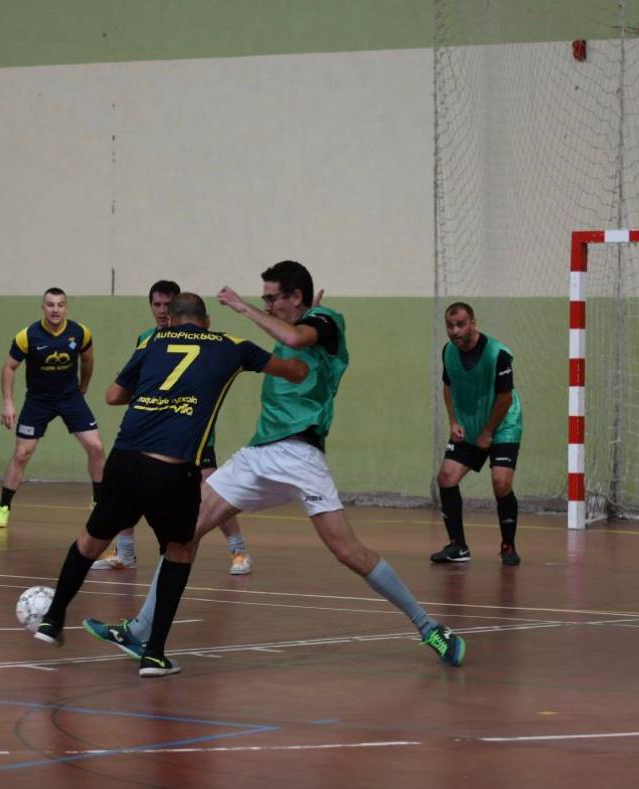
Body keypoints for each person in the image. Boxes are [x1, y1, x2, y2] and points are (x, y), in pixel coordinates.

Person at [82, 260, 466, 668]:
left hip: (300, 455)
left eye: (271, 298)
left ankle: (429, 628)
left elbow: (299, 337)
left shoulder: (325, 323)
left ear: (295, 297)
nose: (265, 305)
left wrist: (244, 307)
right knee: (183, 533)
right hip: (259, 453)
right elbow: (291, 334)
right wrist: (281, 316)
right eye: (262, 299)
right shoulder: (293, 326)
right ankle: (141, 632)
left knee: (348, 551)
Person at [32, 293, 308, 677]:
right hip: (174, 469)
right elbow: (295, 371)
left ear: (173, 320)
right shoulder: (232, 346)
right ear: (206, 320)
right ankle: (155, 654)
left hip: (125, 460)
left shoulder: (153, 341)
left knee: (90, 540)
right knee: (180, 548)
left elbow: (113, 396)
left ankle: (53, 618)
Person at [92, 279, 258, 576]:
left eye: (168, 305)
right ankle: (125, 553)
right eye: (157, 305)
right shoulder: (147, 338)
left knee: (212, 488)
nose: (162, 311)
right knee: (127, 485)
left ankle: (238, 549)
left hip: (188, 432)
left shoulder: (203, 340)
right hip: (148, 430)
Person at [0, 288, 104, 528]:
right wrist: (8, 403)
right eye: (50, 305)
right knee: (22, 454)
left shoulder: (80, 333)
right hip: (38, 401)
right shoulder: (27, 336)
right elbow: (8, 368)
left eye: (60, 305)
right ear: (43, 308)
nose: (55, 309)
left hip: (70, 398)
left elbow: (88, 360)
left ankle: (98, 502)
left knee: (96, 447)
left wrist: (83, 387)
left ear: (66, 308)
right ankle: (3, 507)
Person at [429, 303, 524, 566]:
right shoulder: (448, 352)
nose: (455, 331)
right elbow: (448, 387)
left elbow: (504, 398)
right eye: (450, 326)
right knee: (446, 477)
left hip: (503, 423)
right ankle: (458, 546)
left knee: (501, 482)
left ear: (473, 323)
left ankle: (508, 545)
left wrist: (488, 432)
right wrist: (454, 420)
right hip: (470, 424)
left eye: (461, 325)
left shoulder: (498, 354)